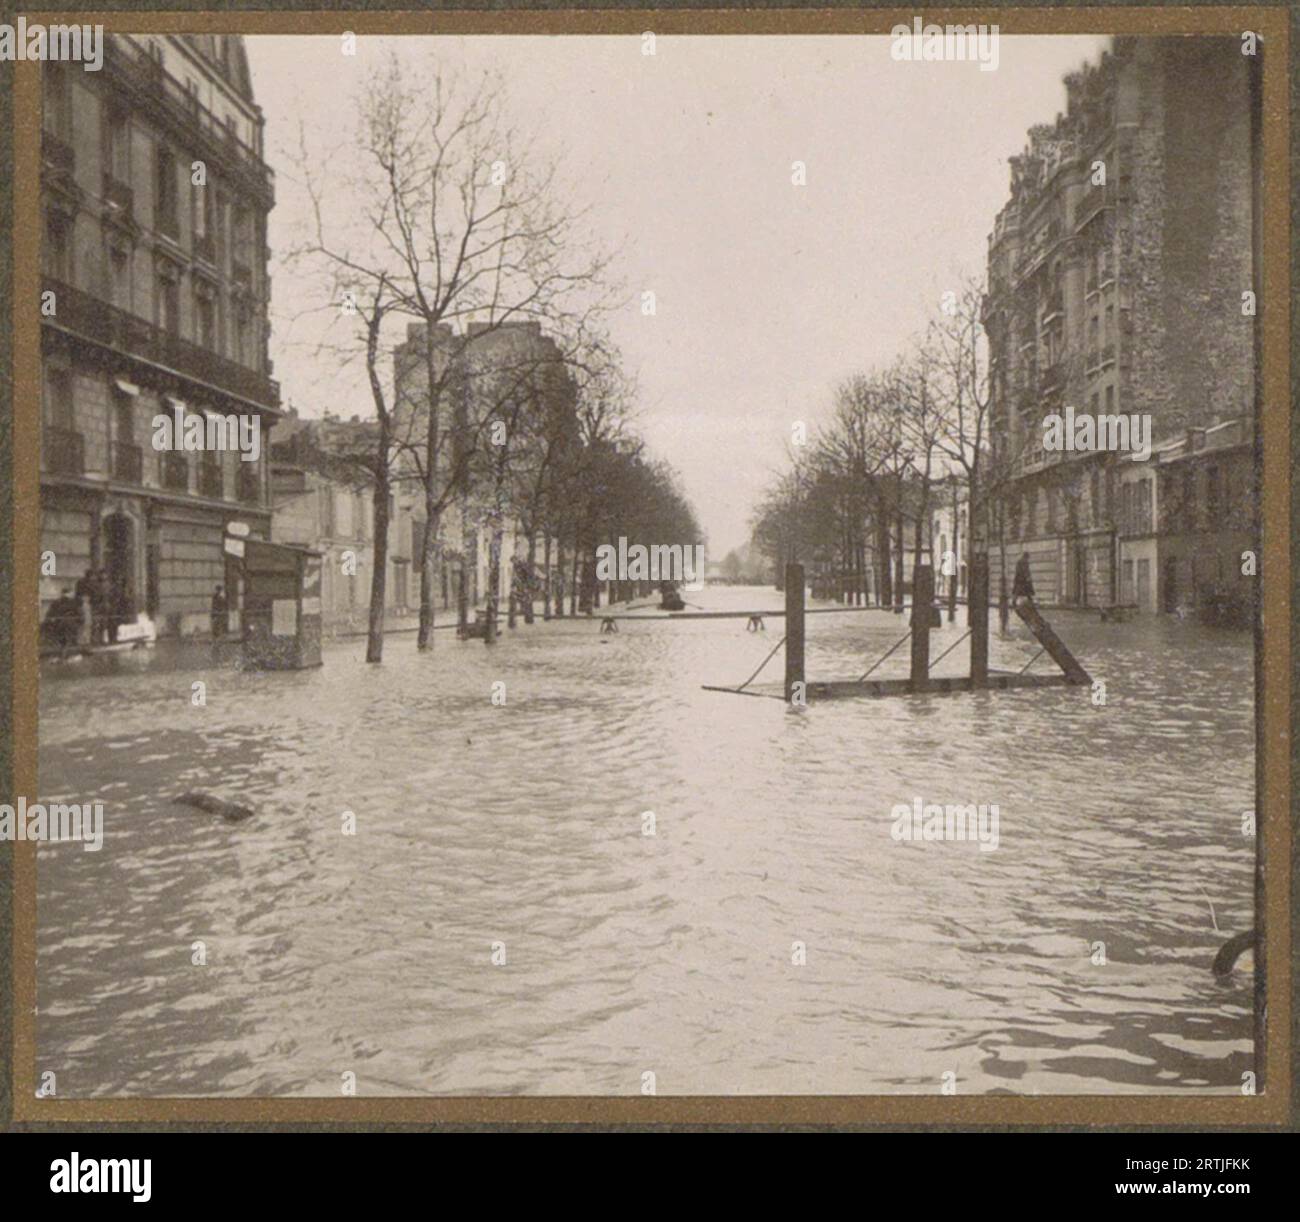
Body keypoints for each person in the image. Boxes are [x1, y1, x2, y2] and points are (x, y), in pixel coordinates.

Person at [42, 587, 81, 658]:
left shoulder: (57, 602)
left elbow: (50, 613)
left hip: (60, 624)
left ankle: (63, 652)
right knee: (67, 638)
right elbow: (78, 614)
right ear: (69, 593)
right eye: (71, 593)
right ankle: (64, 652)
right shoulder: (72, 603)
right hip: (68, 624)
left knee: (63, 639)